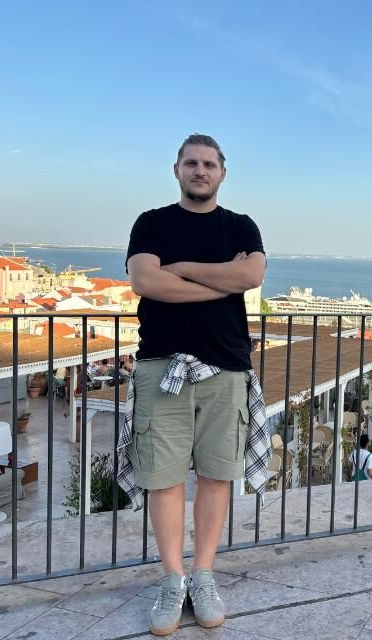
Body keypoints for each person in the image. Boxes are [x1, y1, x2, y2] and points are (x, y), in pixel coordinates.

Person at [125, 133, 267, 636]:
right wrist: (219, 282)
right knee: (162, 479)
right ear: (177, 170)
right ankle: (173, 580)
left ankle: (202, 576)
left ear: (222, 172)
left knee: (216, 475)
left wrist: (182, 270)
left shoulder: (241, 225)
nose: (200, 171)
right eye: (192, 163)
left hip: (225, 367)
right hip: (160, 366)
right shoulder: (151, 223)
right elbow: (146, 282)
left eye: (209, 164)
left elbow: (251, 275)